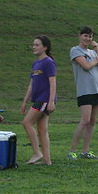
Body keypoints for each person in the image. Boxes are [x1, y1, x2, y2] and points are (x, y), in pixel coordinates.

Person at [67, 25, 98, 160]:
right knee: (85, 120)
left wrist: (97, 50)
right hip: (85, 90)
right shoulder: (75, 50)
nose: (88, 38)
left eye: (90, 36)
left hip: (97, 89)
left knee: (92, 121)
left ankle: (85, 151)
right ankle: (72, 151)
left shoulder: (93, 53)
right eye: (85, 35)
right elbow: (86, 66)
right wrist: (96, 60)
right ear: (80, 36)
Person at [20, 35, 57, 165]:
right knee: (42, 129)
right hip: (38, 99)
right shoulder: (35, 63)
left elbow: (52, 82)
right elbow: (32, 84)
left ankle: (37, 153)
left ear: (45, 47)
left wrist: (51, 101)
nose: (34, 47)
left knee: (27, 122)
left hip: (44, 99)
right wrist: (25, 101)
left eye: (37, 45)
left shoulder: (48, 62)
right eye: (33, 44)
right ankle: (47, 160)